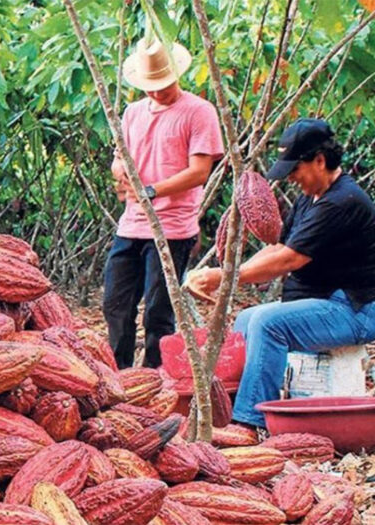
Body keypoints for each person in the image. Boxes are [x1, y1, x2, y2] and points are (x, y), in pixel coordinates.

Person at [185, 118, 375, 429]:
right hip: (326, 302)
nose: (292, 178)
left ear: (320, 161)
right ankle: (228, 408)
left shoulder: (341, 202)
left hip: (356, 310)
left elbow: (289, 260)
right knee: (247, 320)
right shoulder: (311, 199)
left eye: (295, 169)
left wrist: (225, 278)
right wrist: (226, 272)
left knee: (269, 324)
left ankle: (248, 424)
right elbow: (279, 248)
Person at [103, 37, 225, 369]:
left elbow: (199, 171)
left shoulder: (199, 111)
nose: (156, 92)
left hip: (173, 226)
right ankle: (121, 377)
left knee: (158, 313)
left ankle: (155, 380)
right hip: (132, 225)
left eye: (162, 85)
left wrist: (152, 191)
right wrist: (122, 174)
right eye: (150, 87)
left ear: (175, 74)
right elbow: (118, 159)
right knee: (115, 305)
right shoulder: (131, 113)